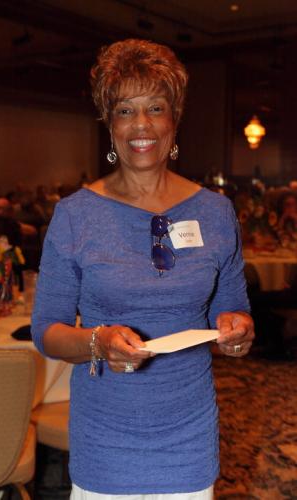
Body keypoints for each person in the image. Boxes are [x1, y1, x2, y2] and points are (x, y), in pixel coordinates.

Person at [32, 39, 254, 499]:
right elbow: (46, 331)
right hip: (105, 436)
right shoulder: (75, 214)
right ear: (108, 123)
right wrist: (97, 341)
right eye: (125, 110)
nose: (142, 125)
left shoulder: (215, 212)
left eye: (155, 107)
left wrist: (238, 329)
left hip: (188, 435)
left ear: (175, 117)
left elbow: (232, 305)